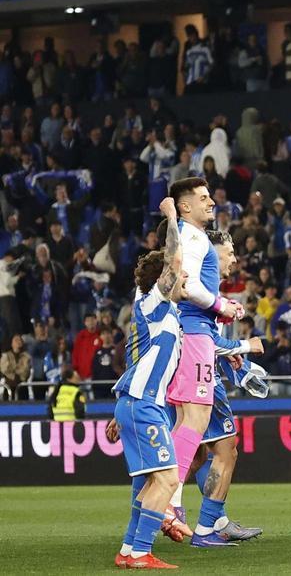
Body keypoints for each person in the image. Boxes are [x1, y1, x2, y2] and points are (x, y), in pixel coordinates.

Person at [163, 179, 244, 538]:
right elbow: (189, 285)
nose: (211, 202)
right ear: (185, 207)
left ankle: (169, 501)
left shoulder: (183, 235)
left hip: (188, 332)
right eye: (203, 198)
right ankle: (170, 501)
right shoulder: (195, 237)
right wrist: (221, 305)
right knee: (195, 420)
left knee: (185, 421)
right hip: (194, 332)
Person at [107, 208, 186, 569]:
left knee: (148, 483)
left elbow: (134, 361)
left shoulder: (156, 312)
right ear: (162, 280)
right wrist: (172, 218)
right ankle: (141, 552)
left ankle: (128, 550)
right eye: (178, 275)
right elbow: (175, 260)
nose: (184, 277)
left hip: (134, 402)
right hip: (144, 404)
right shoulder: (155, 303)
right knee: (168, 479)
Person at [182, 229, 266, 546]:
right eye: (228, 252)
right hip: (199, 377)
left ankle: (213, 520)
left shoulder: (205, 293)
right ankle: (203, 526)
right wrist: (244, 346)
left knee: (199, 454)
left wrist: (230, 357)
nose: (234, 258)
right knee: (226, 449)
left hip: (194, 373)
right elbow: (198, 339)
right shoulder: (201, 291)